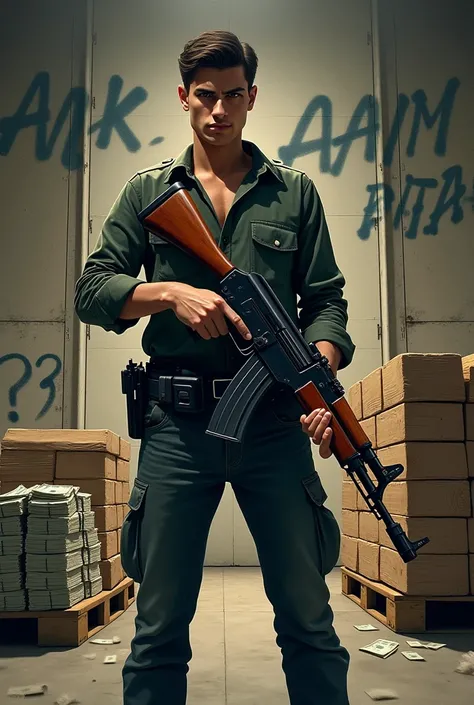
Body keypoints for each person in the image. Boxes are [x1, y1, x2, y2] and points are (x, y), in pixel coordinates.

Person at [74, 29, 355, 705]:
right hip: (178, 427)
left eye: (233, 96)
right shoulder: (149, 192)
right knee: (159, 627)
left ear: (251, 97)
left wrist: (319, 362)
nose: (218, 111)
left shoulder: (294, 193)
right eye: (205, 96)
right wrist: (167, 293)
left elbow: (327, 301)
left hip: (274, 425)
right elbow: (93, 289)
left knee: (309, 619)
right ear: (184, 97)